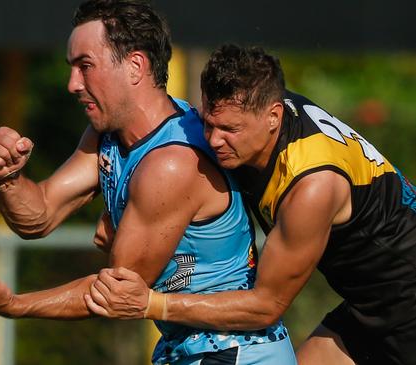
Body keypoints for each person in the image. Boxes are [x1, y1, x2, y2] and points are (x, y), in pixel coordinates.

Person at [0, 2, 296, 364]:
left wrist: (15, 305)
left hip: (234, 352)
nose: (73, 84)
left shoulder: (171, 164)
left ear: (136, 66)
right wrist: (6, 177)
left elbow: (115, 292)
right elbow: (38, 217)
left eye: (86, 66)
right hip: (190, 350)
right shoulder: (108, 136)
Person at [85, 44, 416, 365]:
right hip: (373, 304)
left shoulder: (311, 186)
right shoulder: (261, 109)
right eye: (208, 123)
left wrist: (151, 304)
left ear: (273, 115)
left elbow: (266, 305)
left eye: (229, 129)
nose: (214, 140)